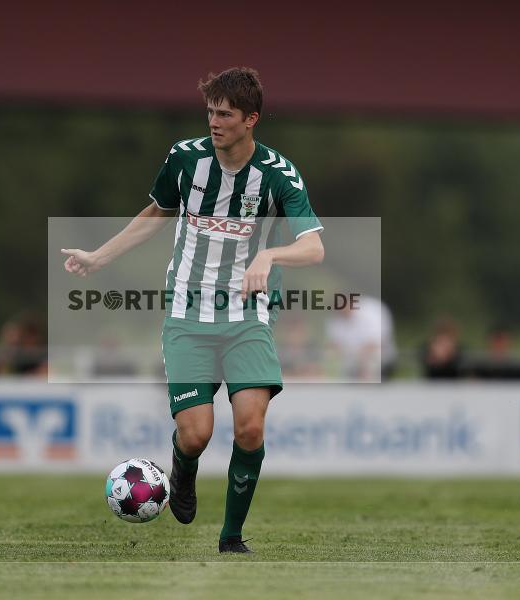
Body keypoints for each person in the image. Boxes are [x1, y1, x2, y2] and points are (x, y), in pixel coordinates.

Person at [62, 67, 324, 554]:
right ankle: (182, 471)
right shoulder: (185, 159)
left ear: (251, 119)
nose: (214, 122)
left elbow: (313, 249)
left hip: (247, 316)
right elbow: (156, 214)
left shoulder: (278, 174)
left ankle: (231, 538)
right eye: (210, 112)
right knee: (197, 434)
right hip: (186, 313)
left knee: (249, 424)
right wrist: (99, 256)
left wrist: (269, 255)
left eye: (224, 114)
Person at [325, 296, 396, 381]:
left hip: (379, 361)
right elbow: (334, 346)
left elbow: (376, 342)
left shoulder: (372, 310)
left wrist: (361, 360)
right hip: (351, 365)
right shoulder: (335, 318)